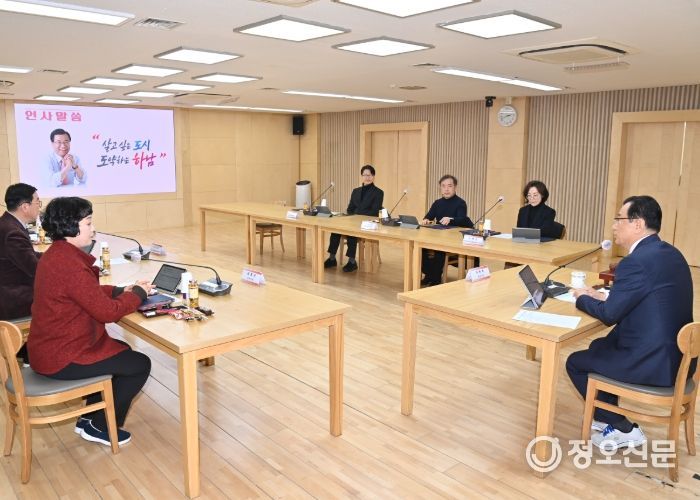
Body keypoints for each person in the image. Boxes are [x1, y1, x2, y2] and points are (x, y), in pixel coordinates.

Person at [566, 195, 693, 451]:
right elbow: (646, 296)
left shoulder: (635, 262)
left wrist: (581, 298)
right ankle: (606, 418)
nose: (614, 226)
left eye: (618, 219)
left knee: (576, 362)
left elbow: (609, 315)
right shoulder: (670, 253)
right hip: (679, 358)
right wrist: (603, 296)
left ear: (638, 224)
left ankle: (622, 427)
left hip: (653, 363)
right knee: (599, 347)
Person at [28, 197, 151, 446]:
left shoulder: (57, 255)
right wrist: (138, 294)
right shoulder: (69, 265)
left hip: (48, 349)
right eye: (88, 223)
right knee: (139, 364)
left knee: (122, 351)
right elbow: (107, 313)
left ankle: (90, 419)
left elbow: (85, 293)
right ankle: (101, 427)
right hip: (61, 357)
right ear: (71, 226)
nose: (93, 229)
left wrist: (120, 290)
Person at [0, 183, 43, 362]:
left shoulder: (7, 224)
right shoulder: (12, 232)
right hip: (15, 299)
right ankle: (39, 353)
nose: (39, 206)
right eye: (37, 202)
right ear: (25, 207)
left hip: (9, 291)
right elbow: (35, 269)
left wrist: (53, 256)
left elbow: (29, 256)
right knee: (64, 299)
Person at [324, 165, 383, 272]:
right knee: (336, 229)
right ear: (362, 176)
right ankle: (332, 258)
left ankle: (352, 262)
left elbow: (374, 211)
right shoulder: (355, 191)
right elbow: (350, 209)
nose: (367, 177)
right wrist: (353, 217)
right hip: (353, 220)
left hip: (367, 223)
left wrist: (357, 216)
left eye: (369, 175)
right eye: (364, 175)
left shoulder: (378, 192)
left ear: (373, 176)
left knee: (352, 232)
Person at [420, 174, 473, 286]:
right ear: (440, 188)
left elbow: (462, 219)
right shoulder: (437, 203)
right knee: (421, 247)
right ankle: (429, 275)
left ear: (455, 187)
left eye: (449, 186)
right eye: (443, 186)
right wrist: (426, 220)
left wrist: (451, 219)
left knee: (439, 249)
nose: (446, 189)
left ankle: (435, 279)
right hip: (439, 235)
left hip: (454, 238)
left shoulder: (460, 203)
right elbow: (429, 216)